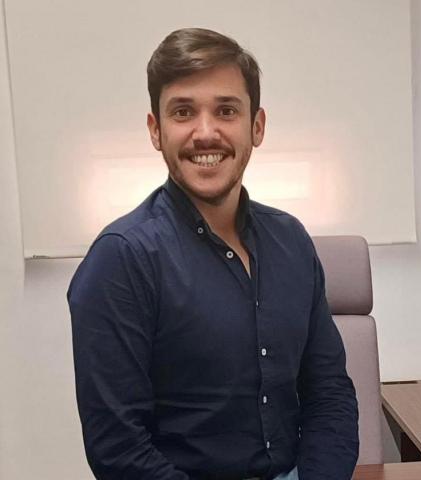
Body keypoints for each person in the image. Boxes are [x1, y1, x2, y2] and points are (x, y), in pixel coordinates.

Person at [68, 28, 358, 480]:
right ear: (156, 130)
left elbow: (330, 394)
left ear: (256, 126)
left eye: (226, 110)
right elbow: (118, 448)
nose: (205, 133)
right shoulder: (121, 260)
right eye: (183, 112)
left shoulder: (292, 241)